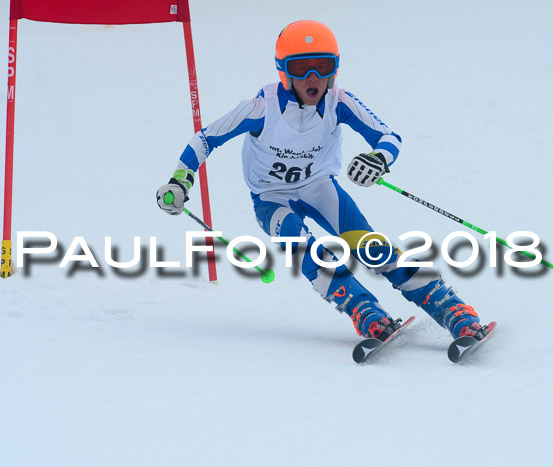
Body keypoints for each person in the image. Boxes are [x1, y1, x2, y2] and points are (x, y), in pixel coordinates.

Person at [157, 20, 488, 342]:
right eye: (301, 68)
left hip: (320, 189)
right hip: (272, 198)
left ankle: (451, 309)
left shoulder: (338, 102)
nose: (313, 78)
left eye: (323, 67)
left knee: (371, 249)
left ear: (335, 69)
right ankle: (364, 310)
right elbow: (205, 139)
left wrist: (379, 159)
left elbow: (389, 137)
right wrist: (180, 181)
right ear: (284, 72)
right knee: (303, 248)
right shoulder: (261, 108)